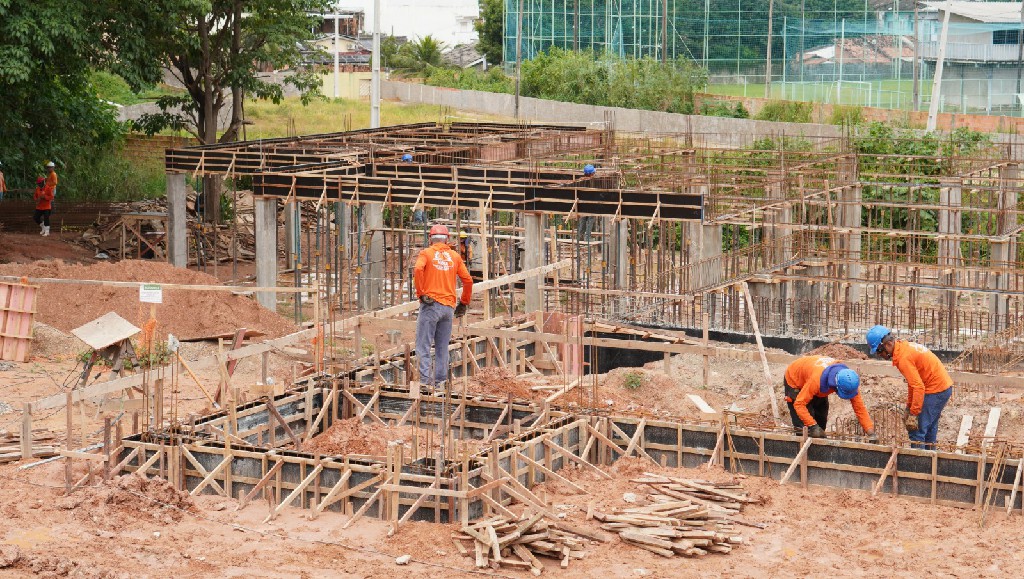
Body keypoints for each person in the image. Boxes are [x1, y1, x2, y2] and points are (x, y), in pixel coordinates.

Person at [867, 325, 953, 449]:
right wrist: (909, 405)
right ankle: (929, 463)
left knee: (916, 431)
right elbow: (913, 383)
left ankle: (918, 466)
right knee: (929, 430)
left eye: (879, 351)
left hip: (935, 390)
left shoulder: (903, 358)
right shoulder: (903, 348)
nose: (879, 355)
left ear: (888, 344)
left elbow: (918, 387)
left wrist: (914, 413)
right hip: (942, 387)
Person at [414, 224, 473, 390]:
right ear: (447, 239)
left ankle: (425, 383)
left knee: (423, 345)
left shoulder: (426, 253)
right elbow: (468, 280)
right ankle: (441, 382)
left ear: (430, 239)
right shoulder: (454, 256)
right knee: (442, 347)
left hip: (430, 305)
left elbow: (418, 269)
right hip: (448, 308)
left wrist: (421, 293)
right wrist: (464, 302)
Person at [783, 355, 876, 440]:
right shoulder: (817, 381)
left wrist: (870, 431)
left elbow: (859, 407)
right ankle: (804, 449)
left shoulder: (849, 382)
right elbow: (799, 404)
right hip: (794, 379)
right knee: (805, 427)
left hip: (812, 377)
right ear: (836, 385)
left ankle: (819, 449)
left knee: (821, 418)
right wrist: (813, 426)